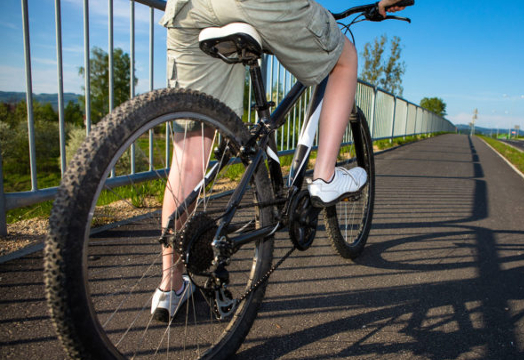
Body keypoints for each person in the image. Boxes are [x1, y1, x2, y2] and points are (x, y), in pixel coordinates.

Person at [151, 0, 405, 322]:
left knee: (189, 159)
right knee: (345, 58)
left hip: (188, 8)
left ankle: (170, 287)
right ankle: (324, 176)